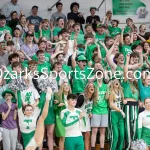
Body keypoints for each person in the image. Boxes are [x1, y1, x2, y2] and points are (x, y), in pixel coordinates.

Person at [91, 70, 109, 150]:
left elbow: (107, 98)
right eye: (98, 74)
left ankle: (102, 148)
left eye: (100, 74)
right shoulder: (93, 85)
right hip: (95, 110)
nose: (99, 76)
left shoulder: (106, 86)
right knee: (94, 130)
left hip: (104, 110)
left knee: (103, 131)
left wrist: (108, 90)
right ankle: (92, 148)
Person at [77, 82, 97, 150]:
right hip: (80, 118)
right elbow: (75, 107)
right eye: (90, 86)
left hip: (86, 118)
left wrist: (90, 112)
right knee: (79, 135)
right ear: (87, 88)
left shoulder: (92, 97)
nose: (92, 87)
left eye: (93, 87)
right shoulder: (82, 97)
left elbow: (88, 108)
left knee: (88, 134)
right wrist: (79, 114)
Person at [54, 82, 72, 150]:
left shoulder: (72, 96)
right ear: (62, 87)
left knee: (69, 136)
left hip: (70, 119)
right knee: (62, 136)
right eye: (64, 85)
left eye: (68, 85)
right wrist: (58, 105)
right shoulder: (57, 96)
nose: (66, 87)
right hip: (60, 118)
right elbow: (54, 108)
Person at [109, 79, 125, 150]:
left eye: (117, 82)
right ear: (112, 84)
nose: (116, 82)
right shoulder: (111, 92)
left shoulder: (121, 92)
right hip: (113, 113)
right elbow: (111, 104)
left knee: (122, 134)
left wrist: (124, 101)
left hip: (120, 114)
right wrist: (120, 110)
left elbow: (122, 102)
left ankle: (120, 148)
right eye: (114, 82)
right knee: (116, 135)